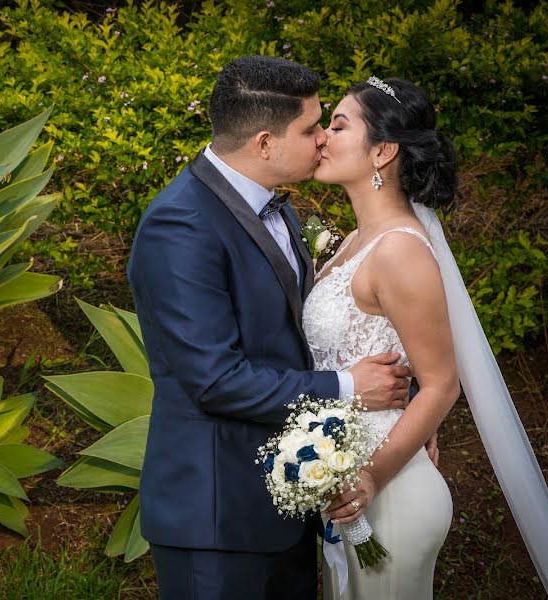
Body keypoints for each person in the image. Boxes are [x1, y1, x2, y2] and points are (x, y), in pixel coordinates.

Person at [126, 56, 414, 600]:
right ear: (264, 143)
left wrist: (408, 418)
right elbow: (214, 380)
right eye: (310, 129)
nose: (323, 140)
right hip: (217, 519)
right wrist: (350, 388)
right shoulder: (180, 226)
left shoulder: (279, 211)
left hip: (293, 501)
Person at [307, 76, 548, 600]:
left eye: (338, 126)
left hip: (390, 496)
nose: (322, 137)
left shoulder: (400, 250)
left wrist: (369, 479)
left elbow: (442, 384)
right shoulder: (359, 240)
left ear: (382, 151)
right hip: (342, 482)